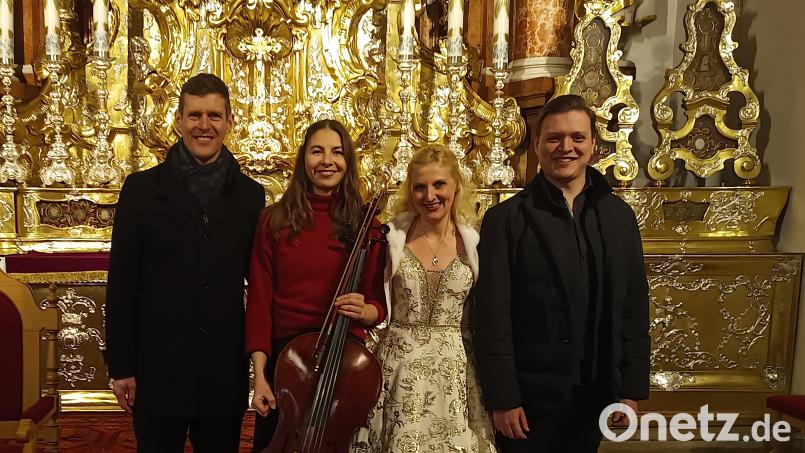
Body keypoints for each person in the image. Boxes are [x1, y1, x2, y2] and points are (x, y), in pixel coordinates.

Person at [473, 94, 650, 452]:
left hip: (595, 394)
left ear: (594, 144)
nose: (566, 147)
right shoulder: (505, 220)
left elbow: (633, 308)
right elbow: (492, 316)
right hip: (528, 401)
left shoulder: (619, 217)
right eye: (554, 138)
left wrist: (630, 391)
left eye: (577, 137)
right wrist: (503, 397)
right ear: (537, 144)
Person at [104, 73, 266, 452]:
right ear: (178, 121)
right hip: (157, 370)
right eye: (195, 115)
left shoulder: (250, 196)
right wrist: (121, 367)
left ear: (230, 122)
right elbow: (122, 284)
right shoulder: (141, 190)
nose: (204, 125)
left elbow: (261, 281)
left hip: (221, 372)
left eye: (214, 115)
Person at [245, 119, 387, 452]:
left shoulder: (366, 224)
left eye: (337, 152)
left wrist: (364, 310)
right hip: (287, 364)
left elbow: (378, 306)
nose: (327, 161)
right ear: (303, 159)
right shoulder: (274, 221)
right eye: (317, 151)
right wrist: (260, 376)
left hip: (344, 358)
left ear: (348, 161)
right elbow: (260, 302)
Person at [351, 145, 497, 453]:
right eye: (420, 187)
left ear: (456, 185)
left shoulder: (475, 241)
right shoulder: (391, 236)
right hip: (399, 367)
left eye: (439, 184)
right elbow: (376, 302)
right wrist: (365, 311)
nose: (430, 195)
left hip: (456, 370)